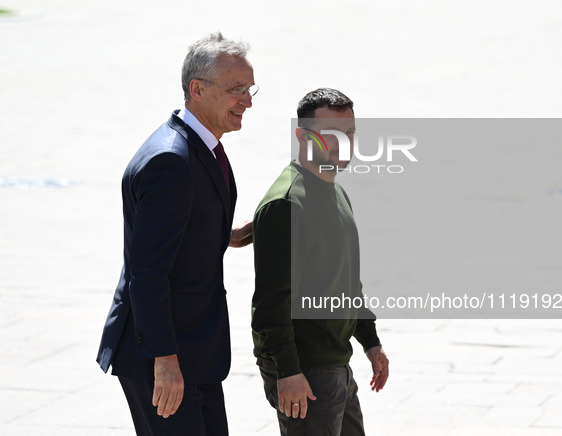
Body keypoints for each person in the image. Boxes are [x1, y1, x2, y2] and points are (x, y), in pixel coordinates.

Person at [96, 32, 255, 436]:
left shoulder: (202, 146)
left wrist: (227, 234)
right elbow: (146, 272)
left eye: (250, 89)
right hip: (164, 355)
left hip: (194, 348)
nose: (248, 101)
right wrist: (163, 361)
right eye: (236, 89)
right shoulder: (171, 161)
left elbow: (178, 229)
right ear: (197, 89)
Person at [251, 88, 389, 436]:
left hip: (335, 361)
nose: (343, 144)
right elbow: (271, 304)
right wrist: (287, 372)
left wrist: (370, 342)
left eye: (350, 134)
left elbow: (346, 282)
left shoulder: (336, 192)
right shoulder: (287, 204)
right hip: (306, 368)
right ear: (302, 135)